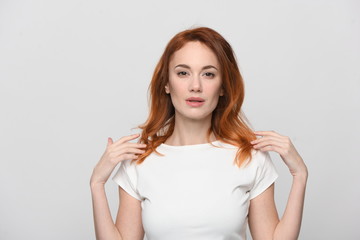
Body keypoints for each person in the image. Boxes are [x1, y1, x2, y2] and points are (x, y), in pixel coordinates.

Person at [90, 27, 308, 240]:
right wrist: (97, 183)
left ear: (223, 86)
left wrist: (300, 175)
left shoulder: (250, 157)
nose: (195, 86)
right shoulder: (139, 161)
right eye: (183, 73)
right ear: (167, 83)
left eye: (209, 74)